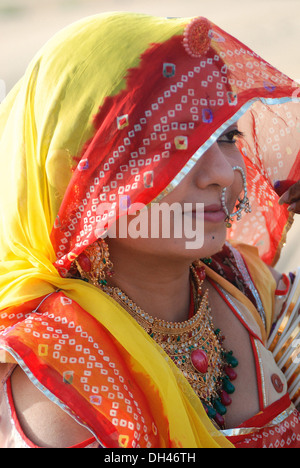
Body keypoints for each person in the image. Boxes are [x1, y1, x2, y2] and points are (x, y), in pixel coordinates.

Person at [0, 12, 299, 449]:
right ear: (79, 182)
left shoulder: (243, 286)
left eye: (226, 136)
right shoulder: (56, 371)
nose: (220, 173)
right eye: (175, 145)